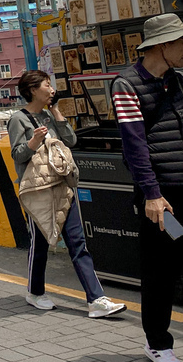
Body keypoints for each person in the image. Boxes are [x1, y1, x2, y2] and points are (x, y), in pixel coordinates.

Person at [8, 70, 126, 319]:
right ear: (32, 90)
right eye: (46, 85)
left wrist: (57, 113)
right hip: (39, 190)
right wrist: (33, 142)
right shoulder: (19, 119)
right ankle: (35, 292)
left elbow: (71, 141)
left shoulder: (49, 116)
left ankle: (96, 300)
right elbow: (17, 155)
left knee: (77, 242)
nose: (51, 89)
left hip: (63, 187)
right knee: (39, 244)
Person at [111, 12, 183, 362]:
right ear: (164, 45)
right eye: (181, 42)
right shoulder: (126, 85)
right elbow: (134, 146)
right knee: (162, 269)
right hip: (163, 200)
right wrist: (152, 194)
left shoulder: (177, 81)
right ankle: (157, 343)